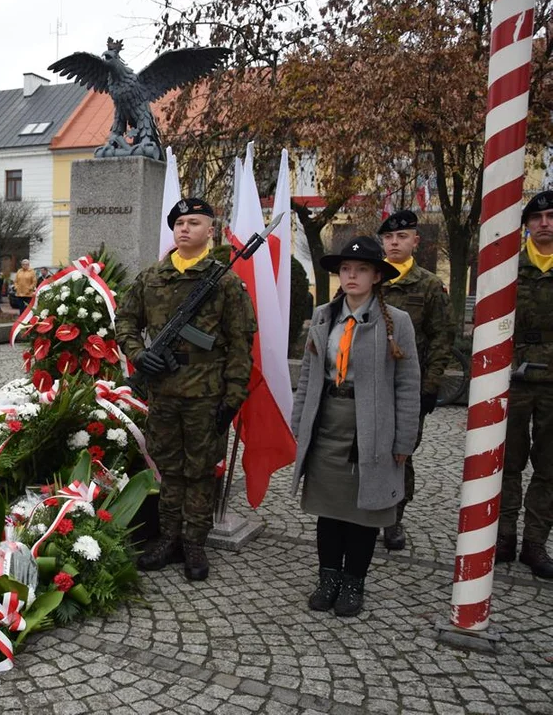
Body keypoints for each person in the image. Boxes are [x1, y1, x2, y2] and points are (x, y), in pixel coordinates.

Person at [115, 197, 256, 581]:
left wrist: (233, 396)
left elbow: (241, 344)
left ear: (210, 231)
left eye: (194, 222)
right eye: (178, 222)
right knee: (169, 469)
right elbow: (125, 320)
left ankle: (194, 542)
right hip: (162, 391)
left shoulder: (225, 282)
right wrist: (140, 355)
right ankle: (168, 538)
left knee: (200, 470)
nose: (184, 228)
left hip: (206, 393)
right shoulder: (151, 279)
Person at [291, 235, 420, 616]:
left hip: (372, 428)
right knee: (329, 510)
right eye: (346, 269)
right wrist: (299, 424)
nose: (351, 276)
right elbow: (310, 375)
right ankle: (327, 578)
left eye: (361, 269)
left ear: (376, 276)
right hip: (328, 421)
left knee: (364, 513)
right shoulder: (323, 316)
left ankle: (353, 583)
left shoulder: (397, 323)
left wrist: (403, 439)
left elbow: (408, 384)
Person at [374, 211, 453, 551]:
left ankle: (393, 519)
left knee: (400, 454)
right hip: (369, 384)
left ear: (415, 241)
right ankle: (365, 513)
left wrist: (431, 387)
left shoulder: (430, 285)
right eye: (389, 238)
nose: (394, 242)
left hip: (408, 387)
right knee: (365, 448)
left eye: (402, 236)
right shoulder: (369, 277)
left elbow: (441, 338)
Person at [500, 191, 553, 579]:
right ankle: (502, 536)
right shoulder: (509, 268)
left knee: (548, 468)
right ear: (527, 225)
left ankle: (535, 543)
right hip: (516, 379)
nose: (545, 223)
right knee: (508, 463)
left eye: (551, 216)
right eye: (537, 218)